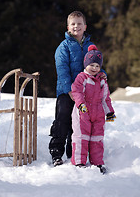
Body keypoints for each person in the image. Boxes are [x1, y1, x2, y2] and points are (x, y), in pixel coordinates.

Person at [49, 10, 106, 167]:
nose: (76, 26)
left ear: (85, 26)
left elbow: (96, 65)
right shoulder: (63, 47)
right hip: (66, 92)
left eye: (79, 24)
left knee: (81, 122)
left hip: (86, 93)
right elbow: (62, 69)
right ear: (68, 27)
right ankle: (56, 152)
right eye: (73, 24)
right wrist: (68, 90)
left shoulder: (90, 46)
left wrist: (103, 74)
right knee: (63, 119)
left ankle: (72, 151)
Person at [71, 45, 116, 174]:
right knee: (81, 137)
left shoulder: (102, 81)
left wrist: (109, 112)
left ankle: (97, 163)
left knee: (97, 138)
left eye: (97, 66)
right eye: (92, 65)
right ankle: (79, 162)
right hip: (83, 112)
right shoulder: (82, 78)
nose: (95, 68)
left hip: (98, 113)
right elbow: (77, 91)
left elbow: (105, 98)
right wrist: (80, 104)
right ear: (86, 64)